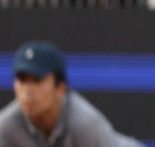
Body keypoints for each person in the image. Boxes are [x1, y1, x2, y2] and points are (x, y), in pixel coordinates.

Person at [0, 40, 143, 146]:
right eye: (22, 79)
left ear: (60, 88)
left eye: (37, 80)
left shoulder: (86, 125)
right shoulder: (5, 127)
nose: (27, 90)